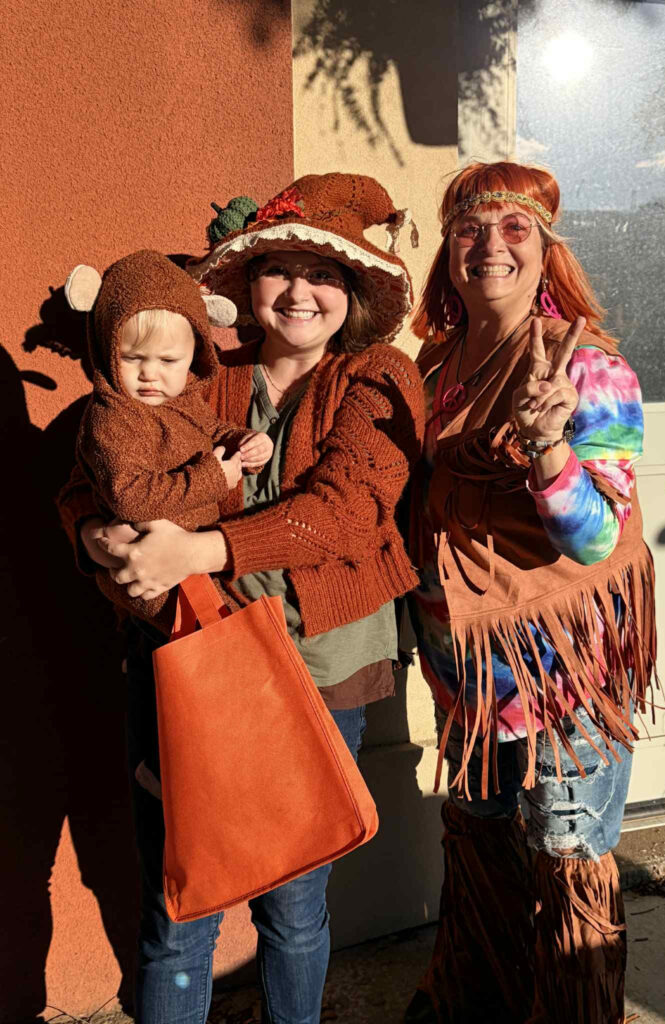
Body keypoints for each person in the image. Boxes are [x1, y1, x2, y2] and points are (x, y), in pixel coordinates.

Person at [57, 172, 424, 1024]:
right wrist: (93, 537)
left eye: (324, 274)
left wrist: (198, 544)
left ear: (355, 293)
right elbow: (99, 471)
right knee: (181, 909)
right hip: (194, 671)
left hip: (319, 674)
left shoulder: (377, 377)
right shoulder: (202, 377)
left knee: (292, 912)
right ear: (246, 286)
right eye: (279, 269)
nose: (300, 292)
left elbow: (344, 511)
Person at [405, 161, 656, 1024]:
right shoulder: (437, 366)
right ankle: (481, 1000)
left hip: (564, 678)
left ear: (547, 250)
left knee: (566, 861)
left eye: (516, 229)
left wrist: (550, 448)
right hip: (469, 671)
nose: (492, 246)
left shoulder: (591, 368)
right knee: (480, 848)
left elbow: (593, 541)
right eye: (472, 228)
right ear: (449, 248)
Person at [66, 248, 273, 633]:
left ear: (195, 354)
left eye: (168, 361)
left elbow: (211, 432)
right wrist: (214, 478)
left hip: (189, 564)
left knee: (231, 643)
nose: (149, 374)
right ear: (106, 348)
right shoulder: (111, 417)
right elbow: (130, 497)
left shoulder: (184, 401)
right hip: (145, 575)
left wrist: (244, 443)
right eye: (132, 357)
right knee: (217, 647)